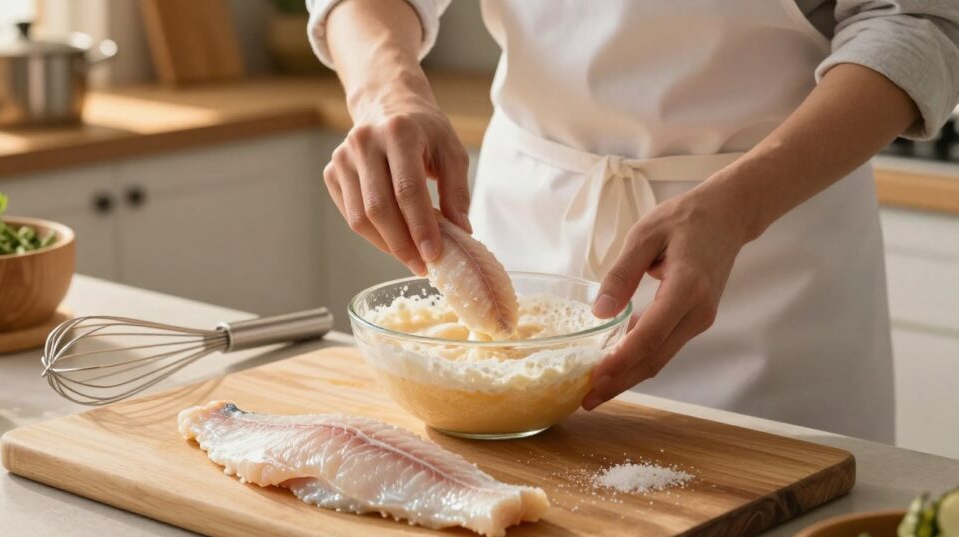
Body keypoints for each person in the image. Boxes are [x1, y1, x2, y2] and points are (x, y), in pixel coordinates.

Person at [305, 0, 959, 442]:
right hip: (529, 222)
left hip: (774, 261)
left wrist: (737, 205)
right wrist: (385, 93)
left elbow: (918, 21)